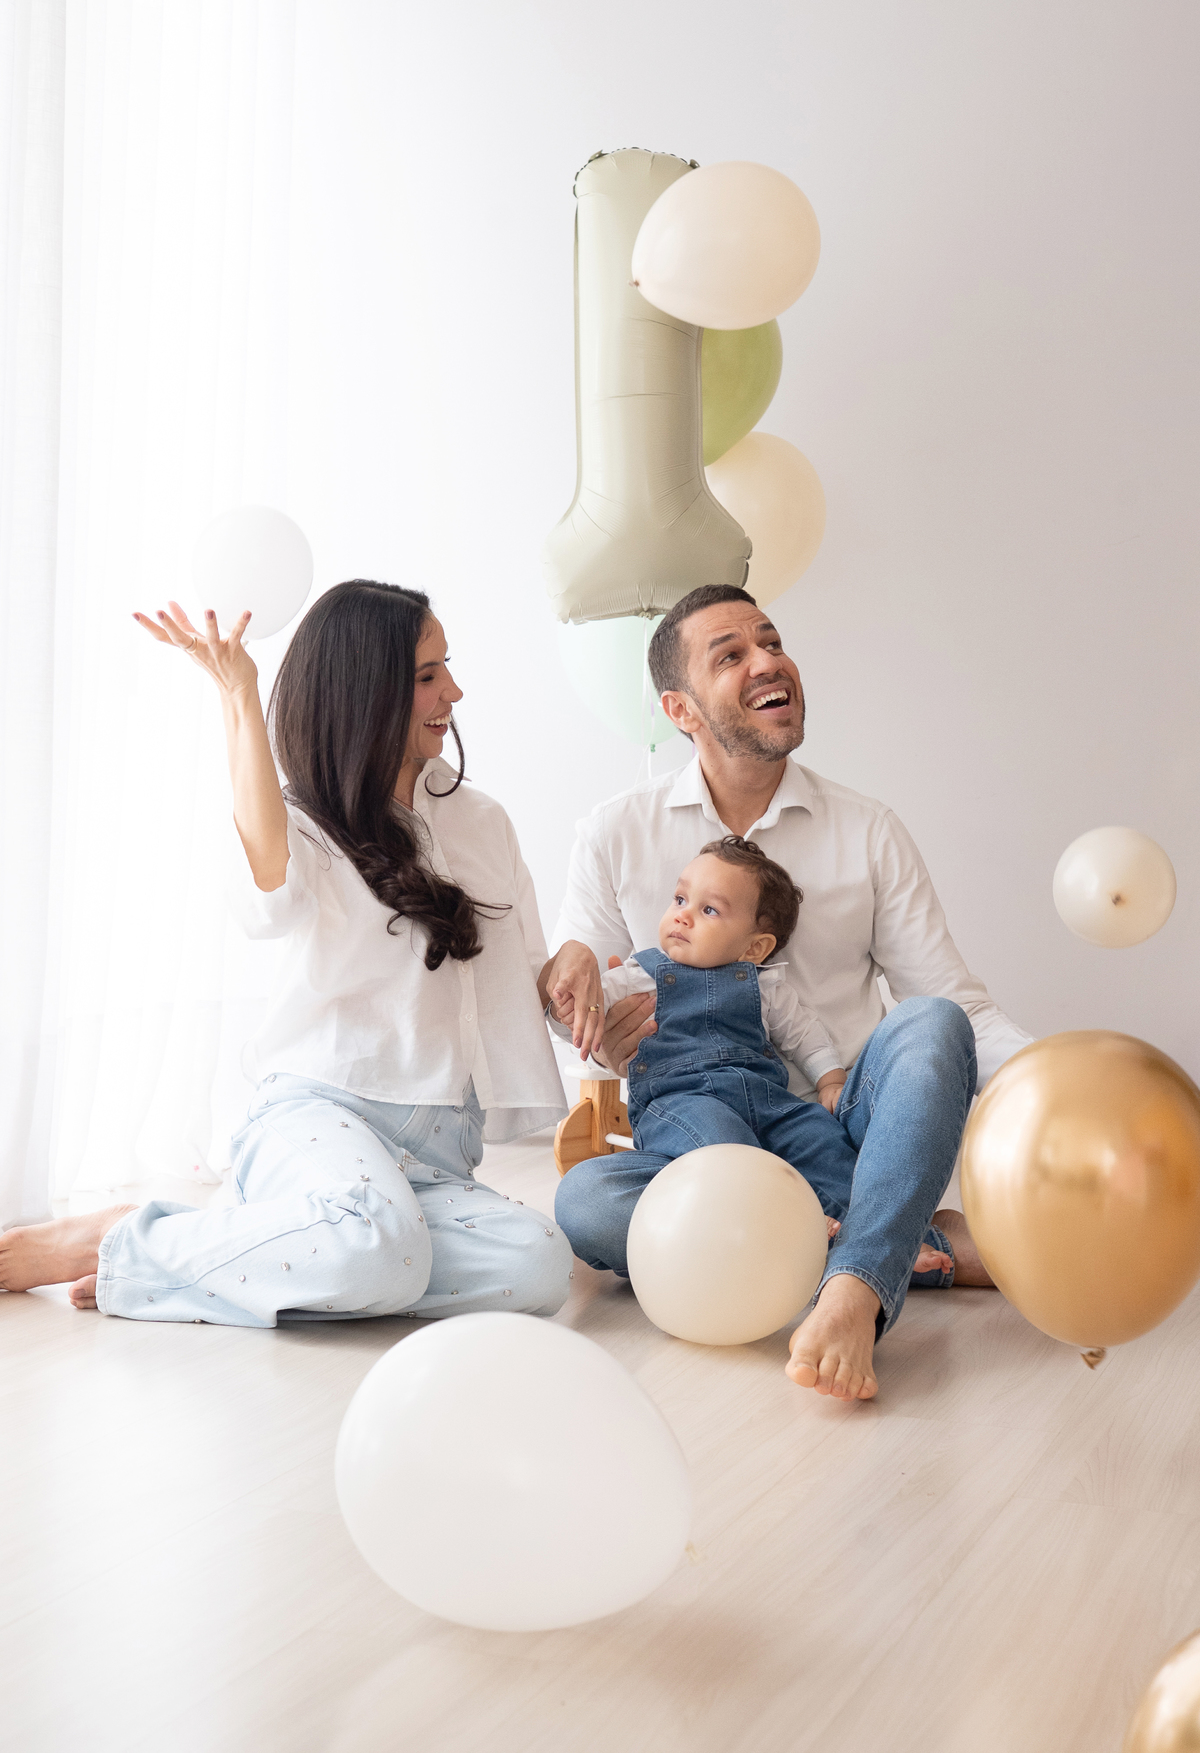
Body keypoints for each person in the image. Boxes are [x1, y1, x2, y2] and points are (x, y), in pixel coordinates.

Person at [0, 580, 604, 1326]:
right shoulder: (304, 823)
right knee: (378, 1244)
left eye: (447, 667)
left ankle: (212, 1253)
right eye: (427, 675)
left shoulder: (483, 819)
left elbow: (523, 974)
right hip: (321, 1114)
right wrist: (239, 696)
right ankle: (126, 1241)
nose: (453, 691)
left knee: (536, 1266)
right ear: (368, 690)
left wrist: (571, 966)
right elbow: (269, 898)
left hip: (442, 1146)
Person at [551, 584, 1033, 1403]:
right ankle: (898, 1244)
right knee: (587, 1201)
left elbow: (963, 1012)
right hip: (696, 1138)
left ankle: (848, 1290)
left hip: (836, 1127)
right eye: (731, 654)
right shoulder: (613, 832)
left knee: (934, 1022)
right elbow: (582, 1008)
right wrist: (590, 1022)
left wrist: (1050, 1080)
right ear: (680, 709)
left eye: (771, 642)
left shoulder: (868, 828)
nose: (768, 661)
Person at [561, 835, 857, 1233]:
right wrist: (573, 1003)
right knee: (720, 1143)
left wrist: (830, 1079)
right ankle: (790, 1222)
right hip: (681, 1102)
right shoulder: (638, 975)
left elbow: (804, 1034)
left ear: (755, 949)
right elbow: (593, 1004)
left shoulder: (764, 986)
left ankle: (875, 1236)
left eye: (709, 910)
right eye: (680, 899)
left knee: (823, 1140)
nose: (683, 916)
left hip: (768, 1103)